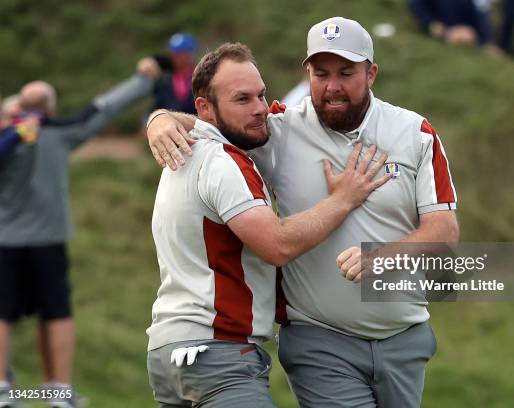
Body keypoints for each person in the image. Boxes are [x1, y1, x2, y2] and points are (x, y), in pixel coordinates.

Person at [147, 16, 459, 408]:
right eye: (320, 73)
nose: (332, 86)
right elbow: (217, 125)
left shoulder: (416, 134)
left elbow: (444, 232)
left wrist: (381, 258)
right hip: (319, 340)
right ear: (307, 72)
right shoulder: (278, 129)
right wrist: (161, 119)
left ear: (371, 73)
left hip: (404, 337)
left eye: (346, 73)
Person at [0, 65, 156, 408]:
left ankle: (4, 391)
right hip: (48, 241)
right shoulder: (60, 133)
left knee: (3, 312)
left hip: (5, 242)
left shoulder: (7, 136)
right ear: (51, 110)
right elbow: (103, 108)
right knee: (55, 313)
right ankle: (57, 391)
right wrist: (143, 81)